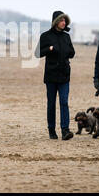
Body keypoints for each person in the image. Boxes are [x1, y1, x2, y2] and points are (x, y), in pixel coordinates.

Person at [35, 11, 75, 140]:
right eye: (61, 20)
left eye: (65, 20)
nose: (64, 22)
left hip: (64, 75)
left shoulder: (66, 36)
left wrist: (68, 51)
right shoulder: (46, 36)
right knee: (51, 104)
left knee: (64, 102)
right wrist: (49, 49)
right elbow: (37, 53)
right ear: (55, 21)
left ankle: (65, 130)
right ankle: (51, 130)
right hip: (51, 76)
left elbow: (72, 53)